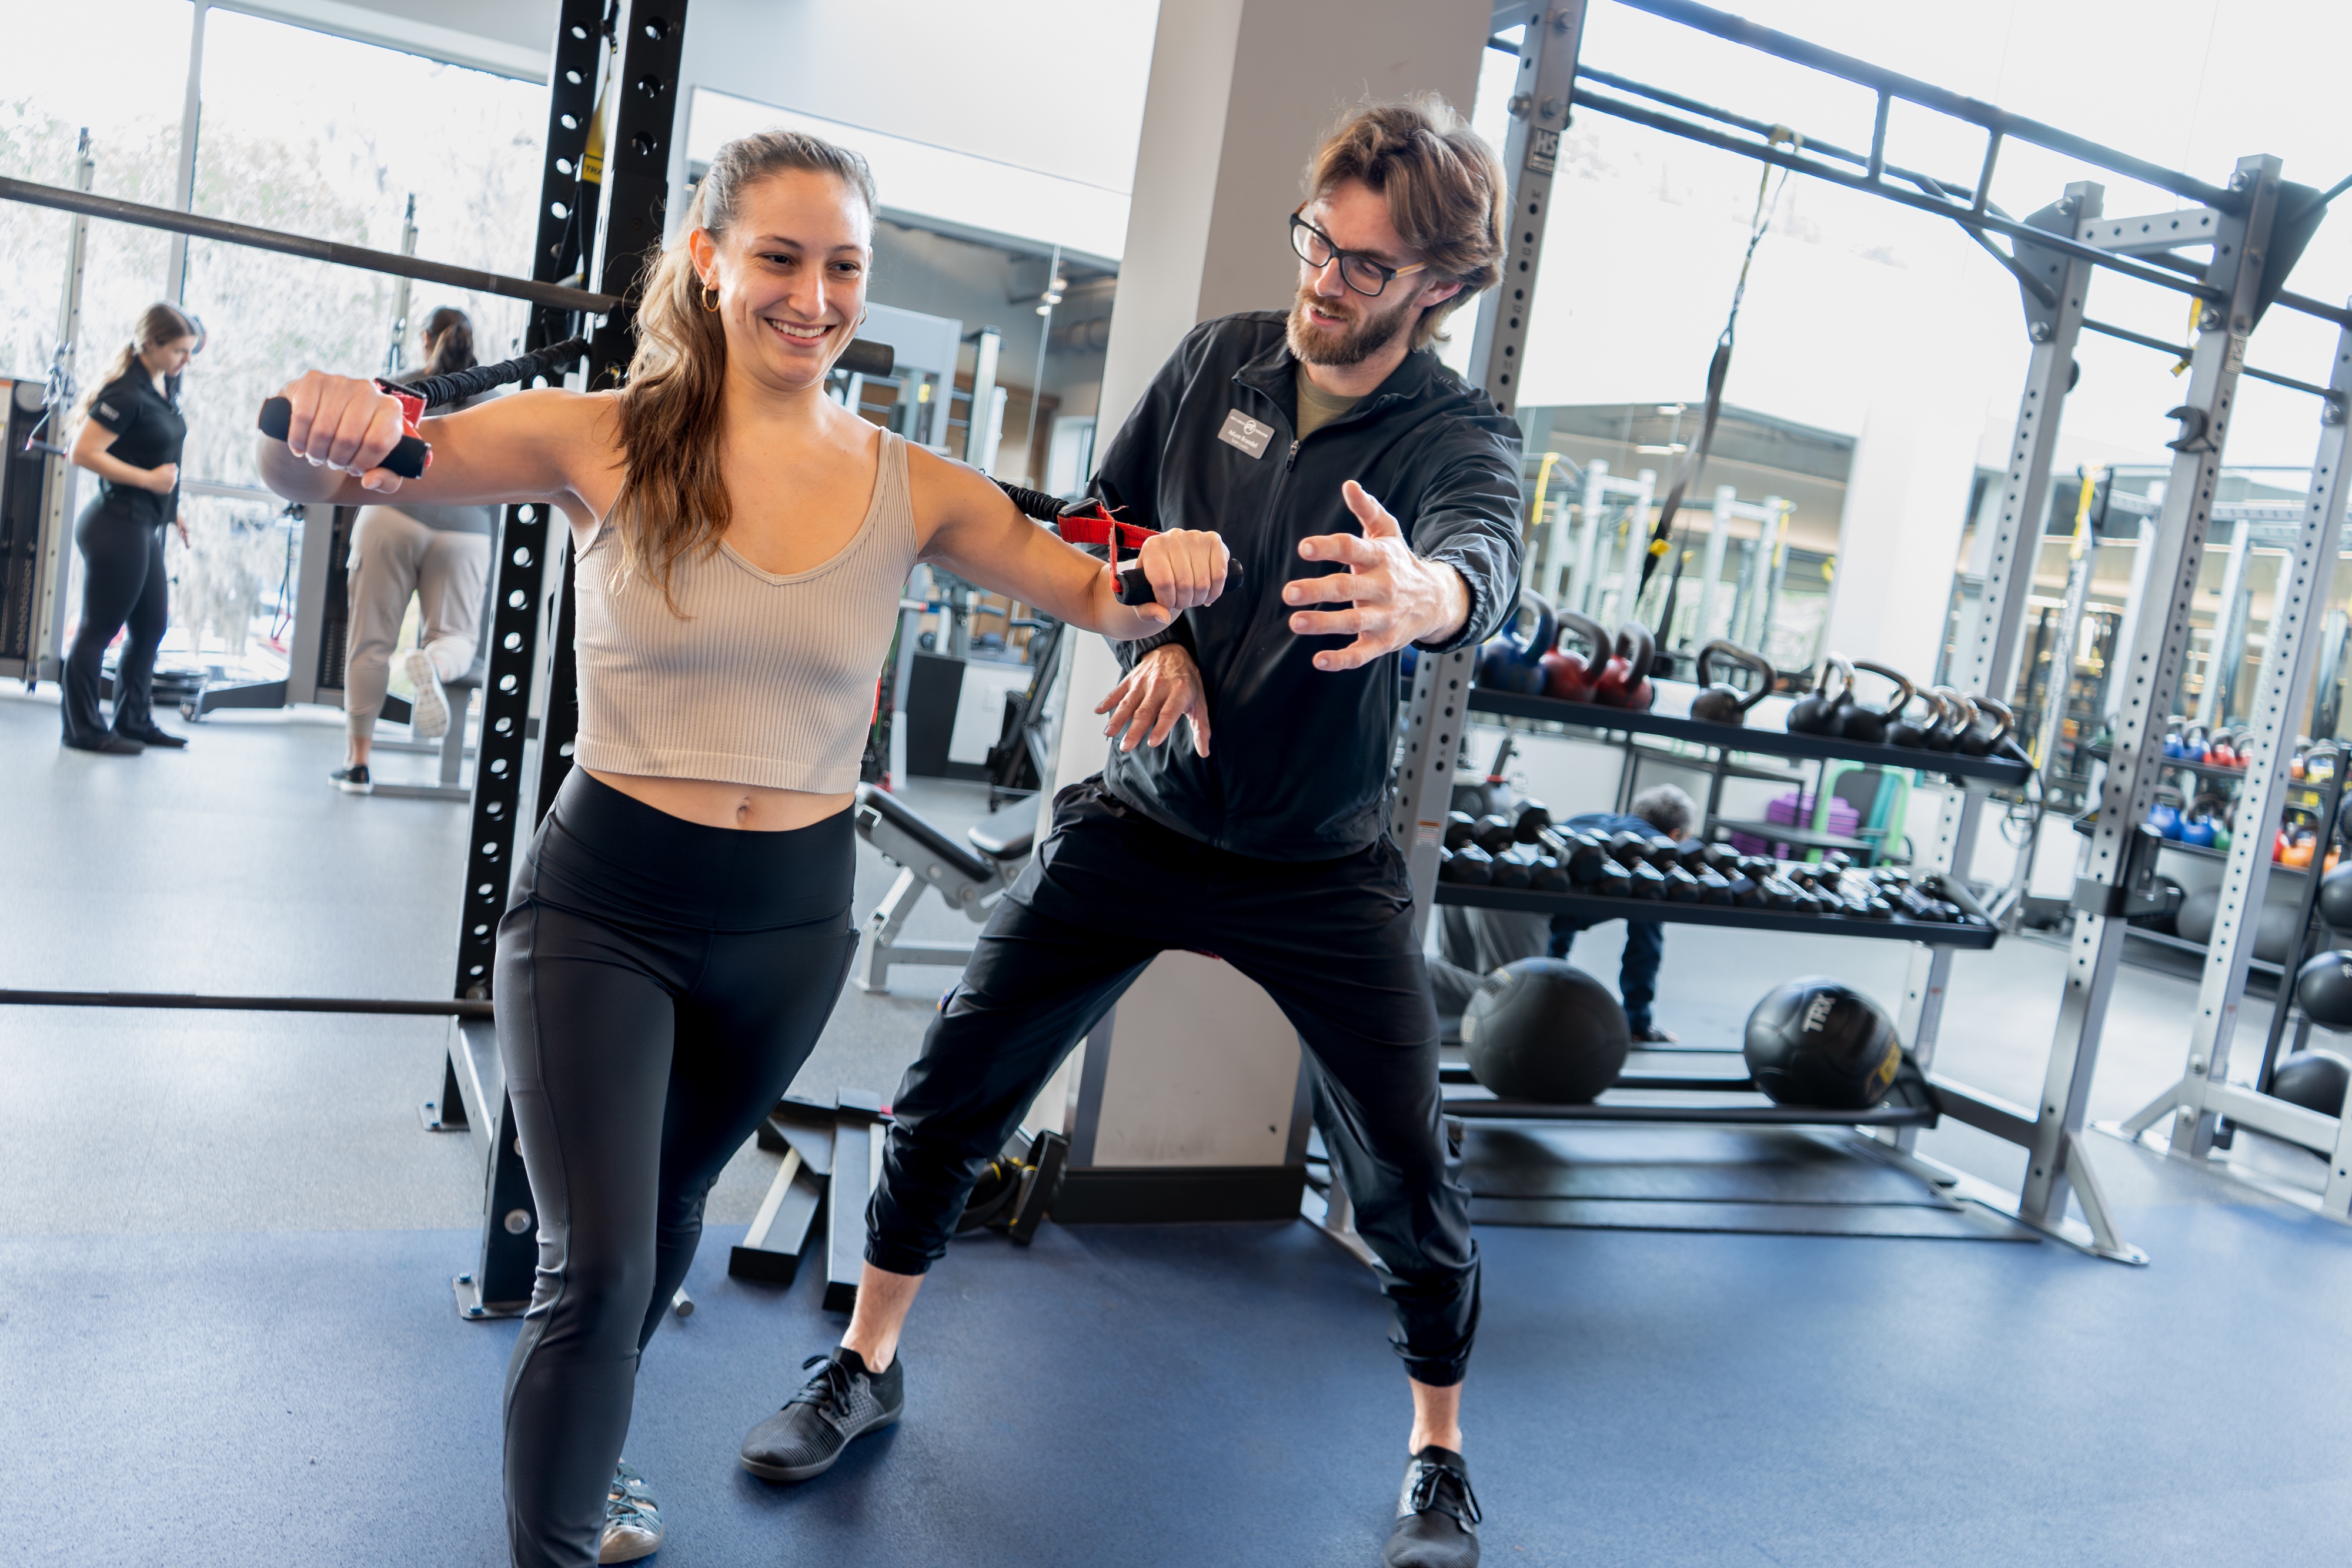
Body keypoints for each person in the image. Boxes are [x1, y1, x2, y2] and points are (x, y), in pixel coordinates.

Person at [255, 128, 1228, 1568]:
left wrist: (1176, 575)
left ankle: (589, 1470)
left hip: (788, 927)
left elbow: (1103, 594)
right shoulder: (599, 431)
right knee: (595, 1270)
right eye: (780, 257)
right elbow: (325, 473)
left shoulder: (915, 483)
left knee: (663, 1231)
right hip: (603, 903)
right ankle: (562, 1530)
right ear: (709, 259)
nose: (814, 297)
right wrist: (307, 417)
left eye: (844, 267)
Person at [741, 98, 1521, 1568]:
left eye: (1365, 266)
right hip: (1148, 820)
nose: (1323, 279)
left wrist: (1430, 601)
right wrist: (1147, 640)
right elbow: (1095, 534)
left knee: (1406, 1169)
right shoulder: (1218, 361)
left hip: (1319, 862)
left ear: (1440, 288)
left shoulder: (1456, 435)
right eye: (1317, 241)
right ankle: (867, 1360)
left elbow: (1483, 558)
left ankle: (1436, 1456)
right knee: (951, 1081)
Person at [330, 306, 500, 794]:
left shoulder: (395, 388)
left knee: (370, 643)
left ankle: (357, 765)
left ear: (426, 338)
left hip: (392, 515)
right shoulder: (493, 398)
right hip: (467, 531)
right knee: (457, 640)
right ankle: (435, 664)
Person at [1429, 783, 1695, 1044]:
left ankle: (1423, 993)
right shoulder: (1655, 856)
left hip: (1473, 874)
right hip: (1519, 897)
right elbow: (1644, 949)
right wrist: (1638, 1024)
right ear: (1674, 835)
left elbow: (1561, 890)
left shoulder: (1591, 819)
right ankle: (1415, 967)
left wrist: (1548, 975)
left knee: (1459, 988)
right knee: (1513, 1002)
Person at [61, 302, 202, 754]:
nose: (186, 360)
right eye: (180, 350)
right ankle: (83, 729)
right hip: (114, 523)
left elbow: (152, 453)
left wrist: (170, 508)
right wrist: (149, 482)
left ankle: (135, 720)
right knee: (98, 631)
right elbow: (81, 452)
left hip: (144, 522)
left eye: (190, 351)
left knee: (151, 627)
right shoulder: (125, 393)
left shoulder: (161, 387)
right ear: (153, 343)